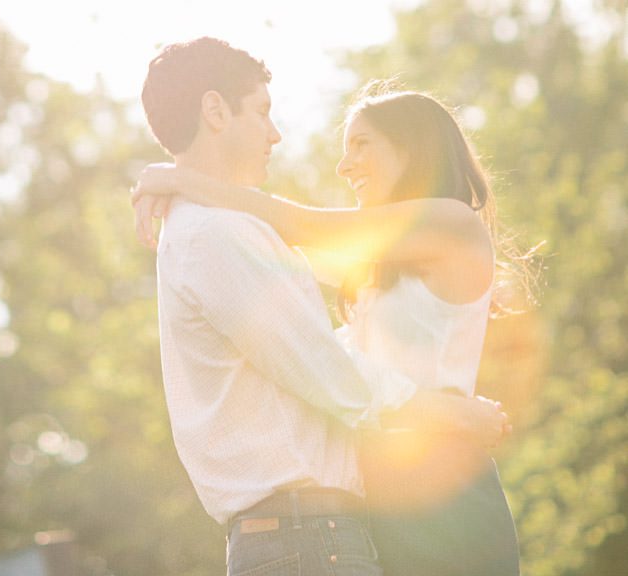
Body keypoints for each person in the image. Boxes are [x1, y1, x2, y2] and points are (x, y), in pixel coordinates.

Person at [134, 37, 511, 576]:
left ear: (414, 149)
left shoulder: (450, 223)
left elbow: (305, 232)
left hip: (436, 488)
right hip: (380, 501)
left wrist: (177, 178)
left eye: (362, 146)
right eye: (262, 112)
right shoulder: (222, 235)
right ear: (215, 111)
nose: (343, 165)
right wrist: (445, 408)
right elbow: (317, 354)